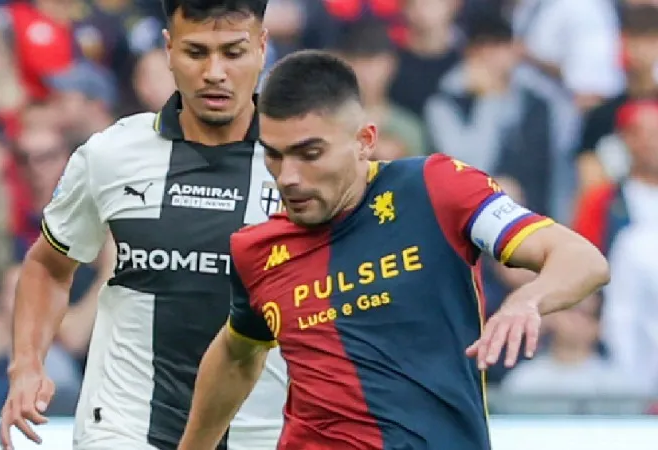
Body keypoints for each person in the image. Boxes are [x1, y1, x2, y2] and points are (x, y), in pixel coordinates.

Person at [178, 50, 611, 450]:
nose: (287, 176)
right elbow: (238, 351)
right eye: (273, 155)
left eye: (309, 153)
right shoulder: (256, 251)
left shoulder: (437, 188)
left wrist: (527, 300)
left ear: (365, 140)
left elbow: (583, 260)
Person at [0, 0, 288, 449]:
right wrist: (27, 365)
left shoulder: (299, 161)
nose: (214, 72)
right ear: (168, 50)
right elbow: (48, 267)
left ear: (263, 48)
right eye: (196, 52)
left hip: (261, 433)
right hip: (125, 426)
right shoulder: (111, 153)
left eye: (233, 52)